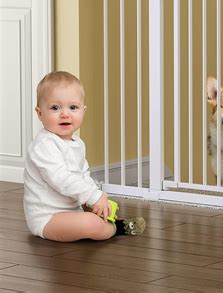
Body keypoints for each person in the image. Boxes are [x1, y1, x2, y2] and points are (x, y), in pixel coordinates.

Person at [23, 71, 146, 242]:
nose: (65, 114)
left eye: (73, 108)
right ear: (40, 113)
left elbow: (83, 175)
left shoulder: (78, 143)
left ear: (83, 110)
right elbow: (61, 179)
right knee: (90, 223)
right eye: (55, 108)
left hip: (73, 210)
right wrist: (93, 196)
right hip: (48, 218)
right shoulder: (44, 145)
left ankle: (103, 220)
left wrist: (94, 199)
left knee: (97, 210)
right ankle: (116, 228)